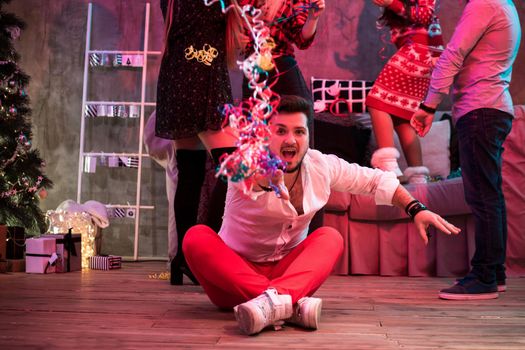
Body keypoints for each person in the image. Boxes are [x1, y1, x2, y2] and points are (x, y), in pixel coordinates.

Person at [183, 95, 460, 335]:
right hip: (233, 277)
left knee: (330, 237)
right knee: (196, 238)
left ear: (307, 136)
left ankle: (274, 302)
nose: (290, 139)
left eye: (299, 132)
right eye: (280, 131)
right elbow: (250, 177)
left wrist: (416, 209)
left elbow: (377, 181)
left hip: (289, 271)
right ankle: (289, 304)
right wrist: (268, 179)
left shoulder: (321, 165)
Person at [411, 0, 521, 300]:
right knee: (489, 195)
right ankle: (493, 273)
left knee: (483, 197)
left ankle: (484, 276)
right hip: (491, 108)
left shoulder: (486, 3)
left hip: (481, 110)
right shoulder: (504, 5)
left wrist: (428, 105)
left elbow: (454, 53)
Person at [155, 0, 238, 285]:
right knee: (235, 172)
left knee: (190, 175)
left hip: (177, 80)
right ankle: (206, 251)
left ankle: (183, 259)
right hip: (203, 83)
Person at [365, 0, 444, 183]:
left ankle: (388, 166)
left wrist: (391, 3)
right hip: (423, 54)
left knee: (377, 102)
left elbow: (425, 15)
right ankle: (418, 177)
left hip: (419, 50)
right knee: (402, 117)